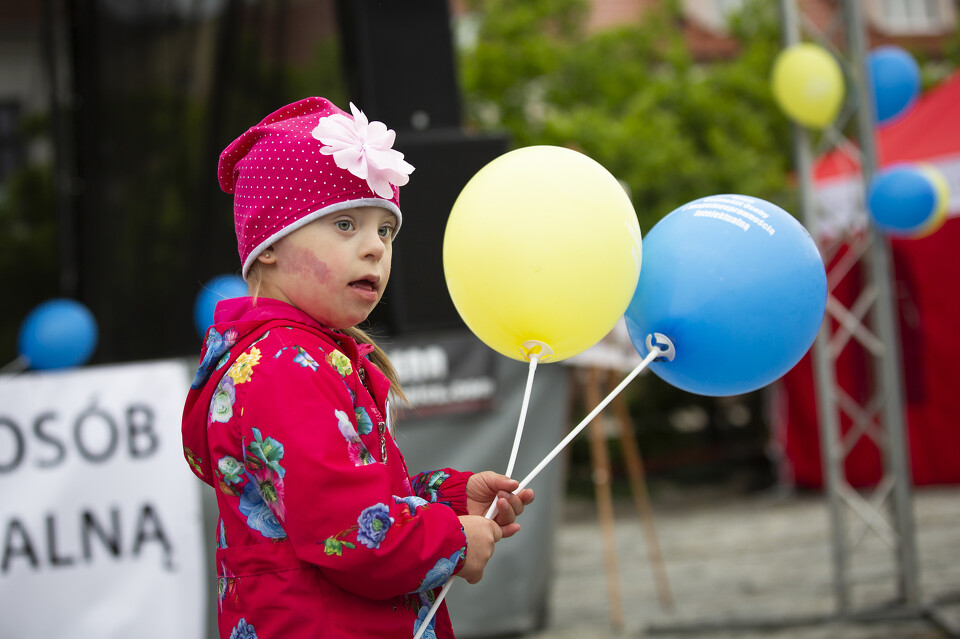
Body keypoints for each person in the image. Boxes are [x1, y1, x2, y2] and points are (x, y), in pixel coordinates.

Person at [181, 97, 535, 639]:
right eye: (346, 224)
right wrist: (453, 540)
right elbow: (348, 533)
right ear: (270, 247)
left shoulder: (309, 354)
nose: (374, 247)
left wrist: (450, 497)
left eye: (384, 231)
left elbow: (347, 498)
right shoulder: (283, 366)